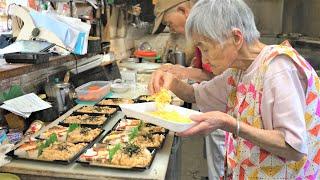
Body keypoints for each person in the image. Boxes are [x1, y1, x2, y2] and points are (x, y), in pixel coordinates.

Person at [149, 0, 320, 179]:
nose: (205, 60)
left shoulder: (278, 68)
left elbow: (293, 147)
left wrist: (231, 124)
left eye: (206, 49)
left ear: (236, 38)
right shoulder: (237, 71)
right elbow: (196, 94)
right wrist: (171, 83)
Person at [153, 0, 214, 82]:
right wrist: (181, 69)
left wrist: (187, 72)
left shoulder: (213, 30)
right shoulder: (197, 35)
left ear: (183, 11)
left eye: (169, 24)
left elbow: (228, 79)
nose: (171, 30)